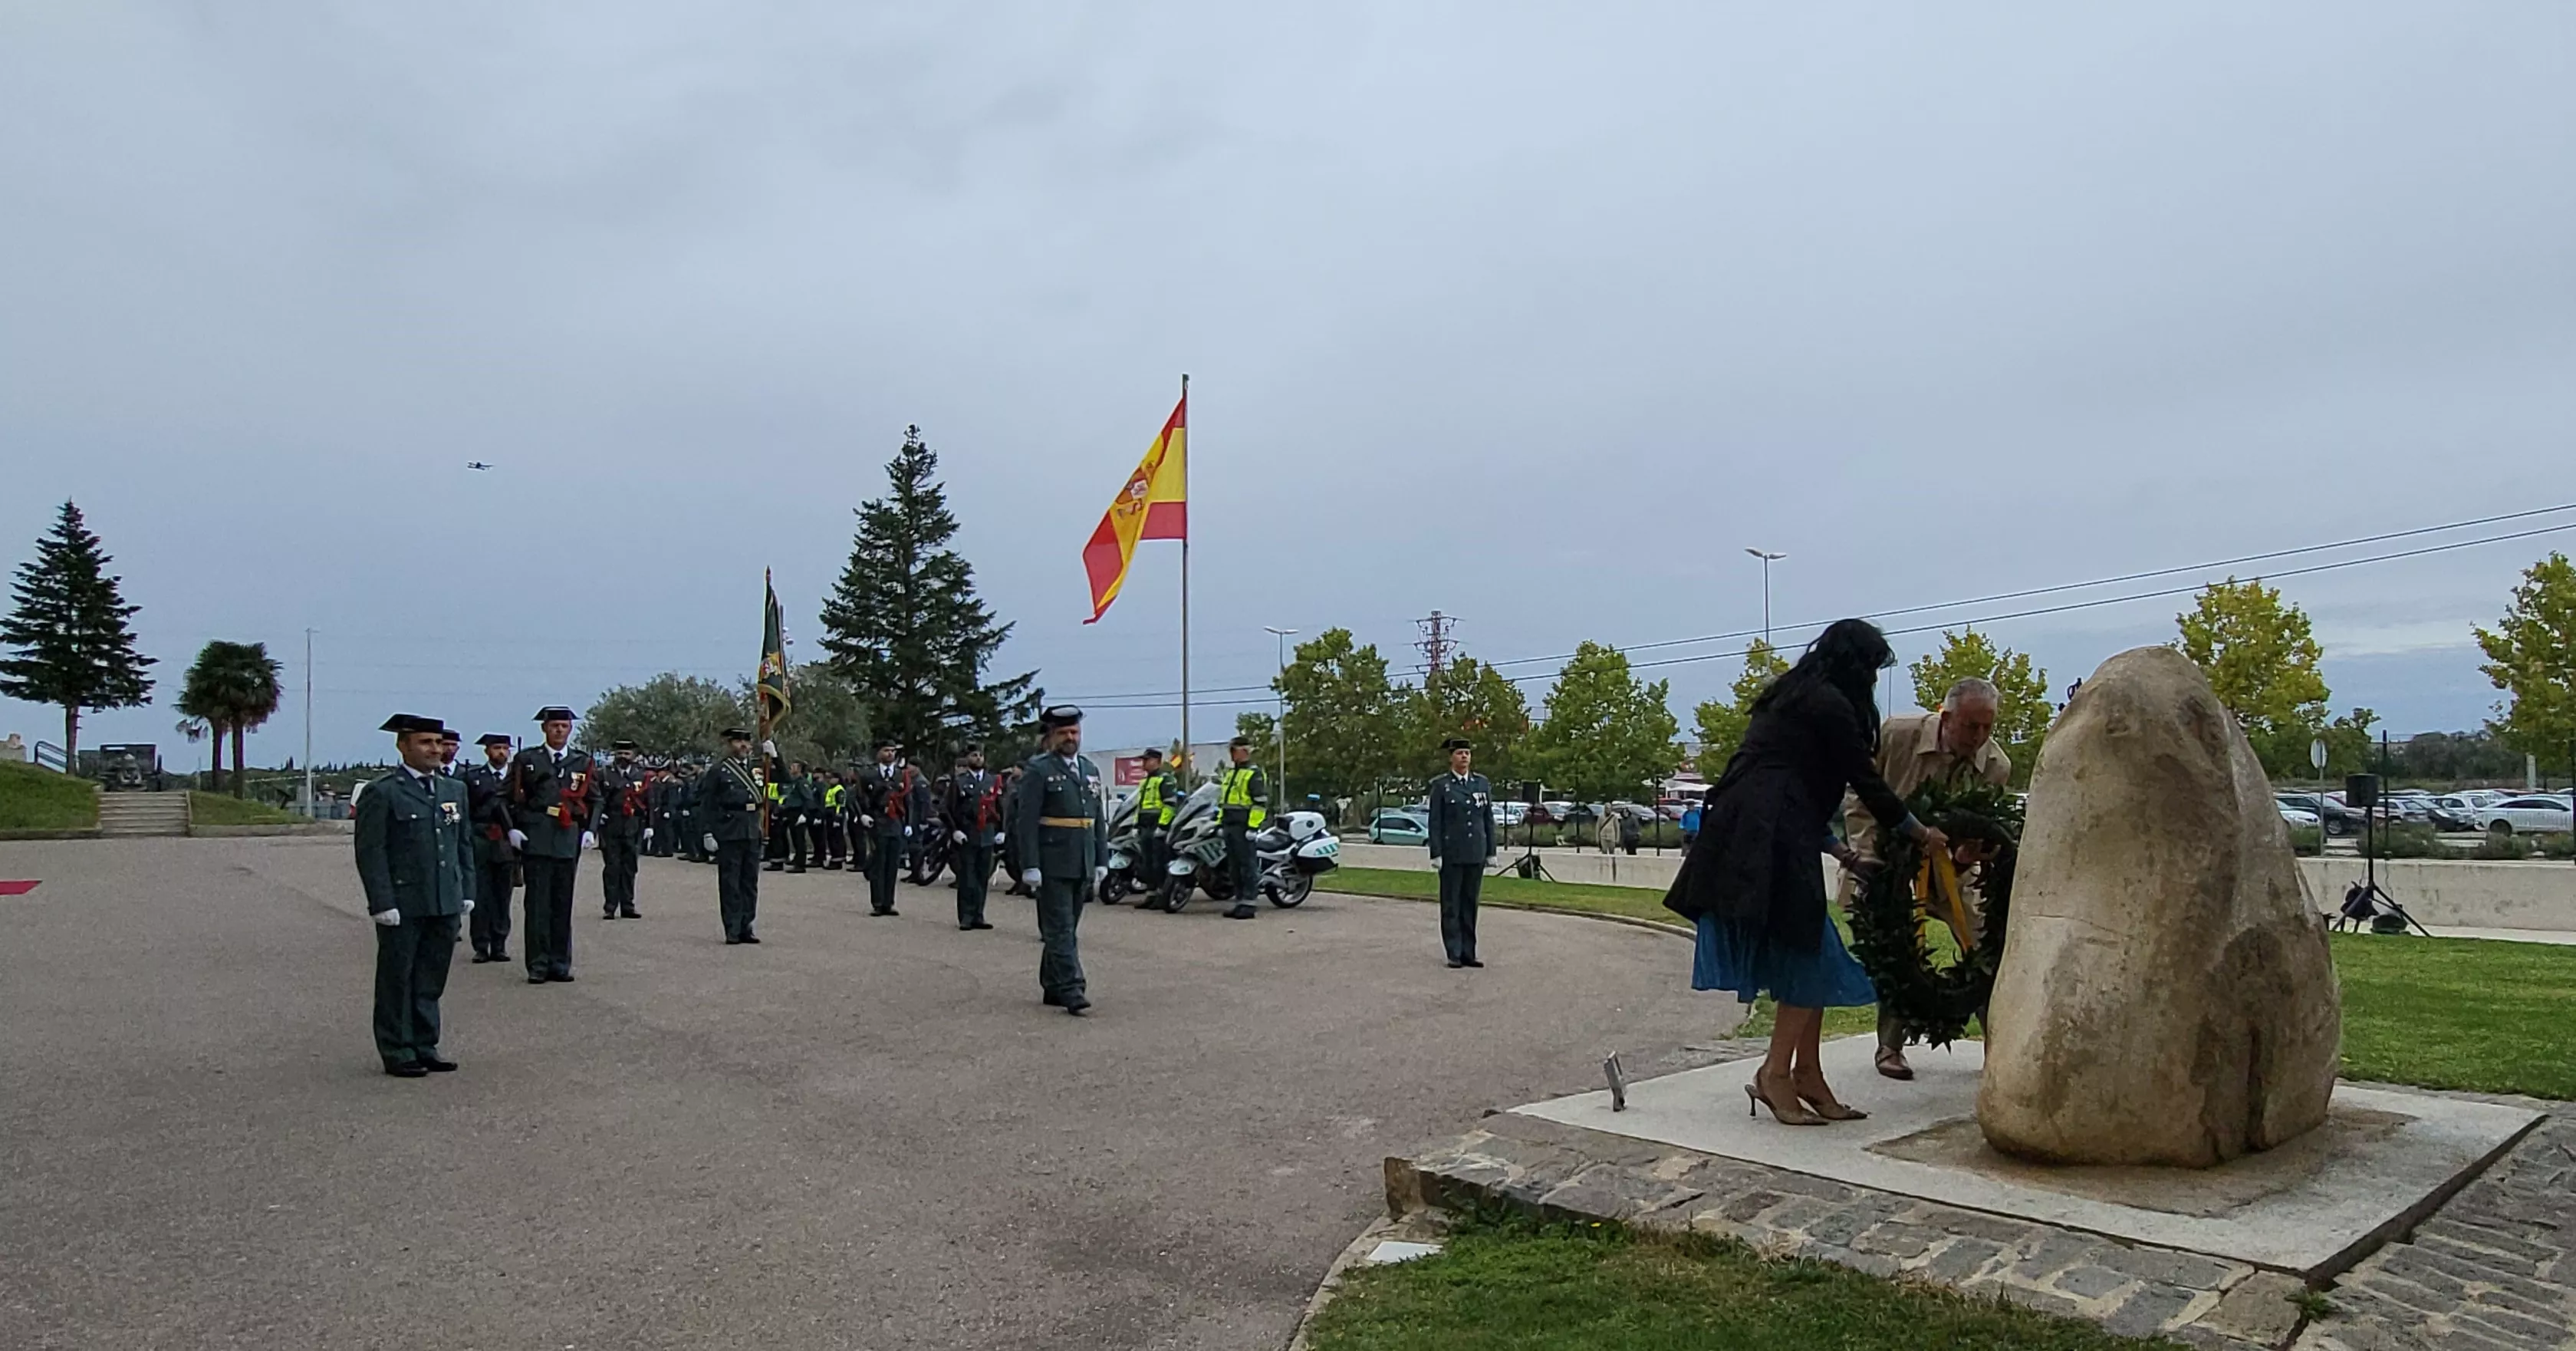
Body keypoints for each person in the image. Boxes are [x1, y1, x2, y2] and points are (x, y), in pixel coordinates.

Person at [1663, 618, 1948, 1128]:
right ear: (1857, 664)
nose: (1874, 680)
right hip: (1767, 837)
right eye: (1873, 668)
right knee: (1806, 950)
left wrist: (1840, 851)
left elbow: (1789, 784)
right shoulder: (1830, 704)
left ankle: (1807, 1074)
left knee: (1807, 951)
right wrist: (1917, 830)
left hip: (1759, 829)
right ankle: (1776, 1073)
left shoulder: (1793, 696)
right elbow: (1864, 781)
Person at [1840, 676, 2012, 1081]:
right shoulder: (1896, 736)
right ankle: (1890, 1047)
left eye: (1989, 727)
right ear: (1946, 716)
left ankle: (2001, 1050)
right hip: (1889, 863)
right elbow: (1859, 795)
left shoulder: (1996, 765)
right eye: (1972, 726)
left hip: (1950, 871)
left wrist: (1968, 853)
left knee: (1989, 943)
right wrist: (1869, 857)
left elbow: (1982, 825)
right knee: (1897, 945)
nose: (1980, 737)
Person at [355, 714, 474, 1077]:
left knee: (431, 976)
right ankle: (397, 1047)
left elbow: (462, 844)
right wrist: (382, 901)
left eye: (438, 743)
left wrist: (466, 889)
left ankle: (425, 1043)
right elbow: (371, 851)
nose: (435, 750)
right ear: (403, 745)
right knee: (397, 977)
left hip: (443, 898)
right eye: (425, 743)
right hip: (404, 902)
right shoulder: (384, 792)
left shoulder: (454, 790)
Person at [1015, 707, 1106, 1013]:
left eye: (1075, 732)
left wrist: (1101, 858)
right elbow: (1025, 821)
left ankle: (1052, 985)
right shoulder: (1039, 770)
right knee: (1060, 929)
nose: (1071, 738)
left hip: (1082, 858)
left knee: (1066, 927)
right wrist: (1029, 864)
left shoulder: (1090, 769)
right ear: (1051, 736)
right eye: (1064, 733)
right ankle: (1072, 987)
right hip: (1052, 860)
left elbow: (1098, 818)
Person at [506, 705, 597, 985]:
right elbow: (506, 796)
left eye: (565, 726)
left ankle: (560, 962)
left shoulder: (581, 762)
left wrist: (590, 830)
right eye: (554, 726)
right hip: (537, 836)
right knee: (537, 905)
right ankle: (538, 963)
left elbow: (596, 798)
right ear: (544, 729)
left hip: (567, 838)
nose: (559, 730)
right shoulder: (527, 759)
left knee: (562, 903)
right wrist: (513, 828)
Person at [1426, 737, 1497, 968]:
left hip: (1475, 851)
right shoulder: (1441, 785)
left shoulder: (1481, 783)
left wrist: (1491, 851)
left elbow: (1488, 819)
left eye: (1467, 753)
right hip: (1452, 853)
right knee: (1451, 905)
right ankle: (1454, 952)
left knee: (1470, 904)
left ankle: (1469, 952)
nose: (1464, 757)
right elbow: (1435, 821)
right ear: (1451, 757)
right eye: (1459, 753)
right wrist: (1436, 853)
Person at [699, 728, 766, 944]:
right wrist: (708, 832)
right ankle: (732, 928)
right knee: (730, 882)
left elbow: (783, 779)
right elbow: (707, 803)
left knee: (749, 882)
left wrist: (776, 757)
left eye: (747, 741)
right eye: (738, 742)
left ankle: (747, 925)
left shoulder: (757, 768)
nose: (743, 745)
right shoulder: (719, 770)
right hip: (730, 829)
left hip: (752, 829)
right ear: (729, 744)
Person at [461, 733, 518, 963]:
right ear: (487, 751)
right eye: (496, 748)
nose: (501, 753)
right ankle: (481, 945)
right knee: (481, 896)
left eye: (505, 748)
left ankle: (500, 943)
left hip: (506, 840)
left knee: (503, 896)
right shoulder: (473, 777)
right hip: (481, 838)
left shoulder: (517, 778)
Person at [946, 745, 1002, 930]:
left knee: (982, 876)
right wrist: (954, 830)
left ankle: (979, 914)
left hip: (987, 834)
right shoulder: (959, 781)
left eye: (980, 755)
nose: (978, 758)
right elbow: (948, 808)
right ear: (967, 758)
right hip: (967, 834)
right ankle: (966, 916)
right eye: (974, 755)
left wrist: (1001, 830)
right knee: (967, 876)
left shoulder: (992, 781)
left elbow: (1001, 807)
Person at [1215, 736, 1269, 921]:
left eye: (1233, 751)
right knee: (1234, 867)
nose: (1231, 755)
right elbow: (1225, 801)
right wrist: (1220, 823)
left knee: (1247, 865)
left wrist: (1253, 827)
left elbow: (1260, 803)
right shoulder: (1231, 774)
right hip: (1230, 825)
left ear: (1245, 751)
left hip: (1243, 826)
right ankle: (1240, 902)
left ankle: (1249, 903)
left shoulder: (1254, 774)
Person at [594, 740, 650, 918]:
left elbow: (650, 801)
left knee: (630, 868)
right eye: (620, 754)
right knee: (612, 867)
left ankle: (628, 905)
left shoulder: (640, 776)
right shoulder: (604, 774)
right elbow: (597, 798)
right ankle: (610, 907)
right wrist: (599, 817)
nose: (623, 757)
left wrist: (650, 825)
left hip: (633, 827)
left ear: (633, 756)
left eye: (627, 754)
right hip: (611, 825)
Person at [854, 740, 906, 916]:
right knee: (879, 863)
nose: (890, 754)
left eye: (892, 751)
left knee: (892, 865)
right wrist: (863, 814)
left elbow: (907, 800)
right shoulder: (868, 775)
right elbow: (859, 797)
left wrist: (909, 824)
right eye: (886, 750)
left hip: (895, 823)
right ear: (878, 754)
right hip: (877, 822)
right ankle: (877, 903)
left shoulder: (900, 775)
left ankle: (889, 902)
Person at [1127, 746, 1179, 907]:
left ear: (1156, 761)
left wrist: (1163, 826)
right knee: (1147, 862)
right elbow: (1140, 806)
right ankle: (1151, 894)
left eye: (1146, 760)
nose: (1143, 763)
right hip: (1145, 825)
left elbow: (1170, 805)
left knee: (1159, 862)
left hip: (1158, 825)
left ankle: (1163, 895)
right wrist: (1136, 824)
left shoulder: (1166, 779)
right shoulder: (1146, 781)